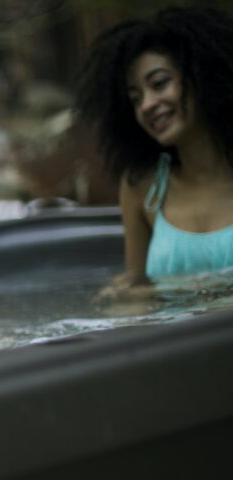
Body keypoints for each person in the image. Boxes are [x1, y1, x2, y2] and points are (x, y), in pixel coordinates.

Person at [76, 6, 233, 289]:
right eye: (135, 99)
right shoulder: (141, 187)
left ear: (203, 76)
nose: (147, 105)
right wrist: (122, 298)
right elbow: (137, 294)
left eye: (159, 83)